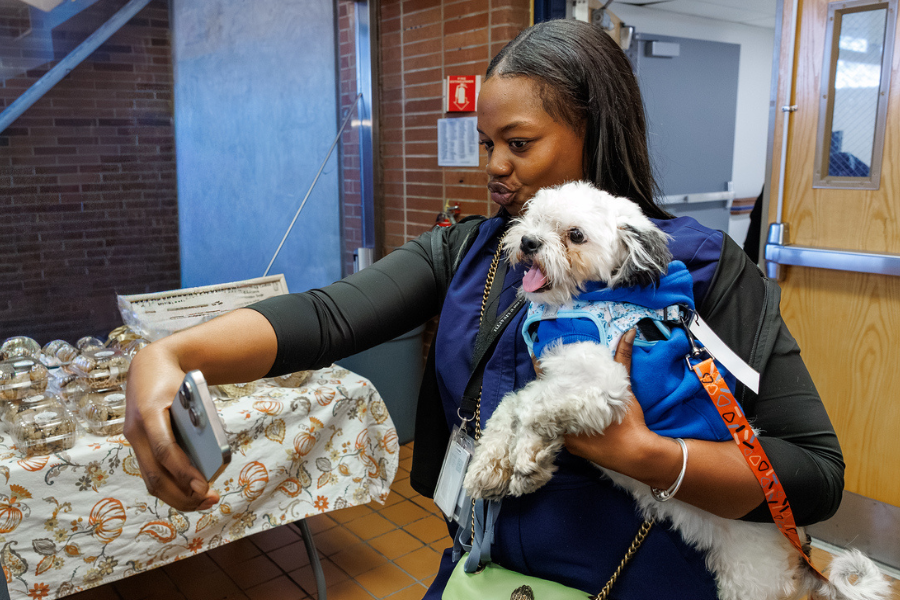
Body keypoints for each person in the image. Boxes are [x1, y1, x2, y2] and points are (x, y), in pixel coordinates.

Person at [124, 19, 844, 598]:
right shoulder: (471, 252)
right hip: (486, 576)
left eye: (519, 144)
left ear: (596, 130)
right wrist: (173, 354)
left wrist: (646, 456)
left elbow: (813, 473)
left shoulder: (697, 268)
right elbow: (327, 317)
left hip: (640, 579)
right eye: (487, 143)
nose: (494, 166)